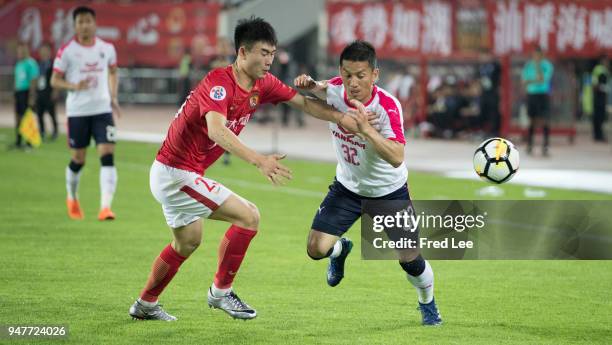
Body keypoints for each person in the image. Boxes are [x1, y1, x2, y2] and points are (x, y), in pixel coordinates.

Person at [128, 17, 369, 322]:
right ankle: (220, 293)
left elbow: (304, 104)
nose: (269, 60)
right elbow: (216, 131)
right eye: (263, 53)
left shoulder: (262, 83)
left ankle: (145, 304)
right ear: (242, 53)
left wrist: (342, 119)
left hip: (183, 173)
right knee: (249, 215)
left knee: (187, 242)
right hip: (175, 174)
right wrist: (260, 160)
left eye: (272, 53)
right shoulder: (218, 84)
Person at [293, 40, 442, 326]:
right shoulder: (336, 88)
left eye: (360, 75)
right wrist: (308, 83)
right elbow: (317, 89)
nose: (353, 82)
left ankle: (428, 304)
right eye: (348, 74)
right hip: (347, 189)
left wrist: (366, 130)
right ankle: (340, 250)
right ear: (340, 71)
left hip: (389, 192)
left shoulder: (387, 107)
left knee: (410, 260)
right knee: (315, 249)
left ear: (375, 74)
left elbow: (397, 157)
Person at [51, 6, 121, 221]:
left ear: (95, 23)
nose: (84, 25)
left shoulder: (107, 48)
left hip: (102, 110)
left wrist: (113, 97)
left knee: (107, 155)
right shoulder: (67, 51)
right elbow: (54, 80)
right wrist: (74, 85)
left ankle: (105, 207)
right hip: (78, 112)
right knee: (78, 159)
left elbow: (112, 71)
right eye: (80, 21)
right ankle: (72, 197)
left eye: (88, 21)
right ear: (75, 25)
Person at [521, 47, 554, 156]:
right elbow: (524, 82)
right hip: (532, 95)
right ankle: (530, 145)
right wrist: (532, 81)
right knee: (532, 120)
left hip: (543, 95)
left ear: (542, 55)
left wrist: (537, 67)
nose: (536, 57)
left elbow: (542, 79)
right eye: (534, 55)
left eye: (538, 55)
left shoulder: (546, 65)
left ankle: (545, 146)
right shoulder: (528, 65)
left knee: (545, 120)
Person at [12, 42, 39, 150]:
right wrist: (14, 94)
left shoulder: (31, 63)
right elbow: (16, 80)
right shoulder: (18, 64)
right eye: (19, 50)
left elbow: (33, 80)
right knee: (18, 117)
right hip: (19, 92)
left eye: (22, 50)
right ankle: (18, 141)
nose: (20, 52)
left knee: (28, 117)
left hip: (27, 92)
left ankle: (29, 142)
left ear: (27, 50)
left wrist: (31, 97)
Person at [36, 42, 58, 141]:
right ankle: (42, 132)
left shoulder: (54, 64)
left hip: (49, 92)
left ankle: (55, 132)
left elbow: (57, 78)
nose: (44, 52)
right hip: (39, 92)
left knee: (52, 113)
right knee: (39, 114)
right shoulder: (37, 63)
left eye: (46, 50)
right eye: (42, 50)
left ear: (49, 51)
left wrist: (55, 91)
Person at [591, 55, 609, 142]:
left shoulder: (605, 70)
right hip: (598, 97)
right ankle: (598, 135)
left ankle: (598, 134)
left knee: (600, 116)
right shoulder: (598, 69)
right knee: (598, 116)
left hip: (602, 96)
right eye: (606, 61)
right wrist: (602, 88)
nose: (607, 63)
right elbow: (594, 84)